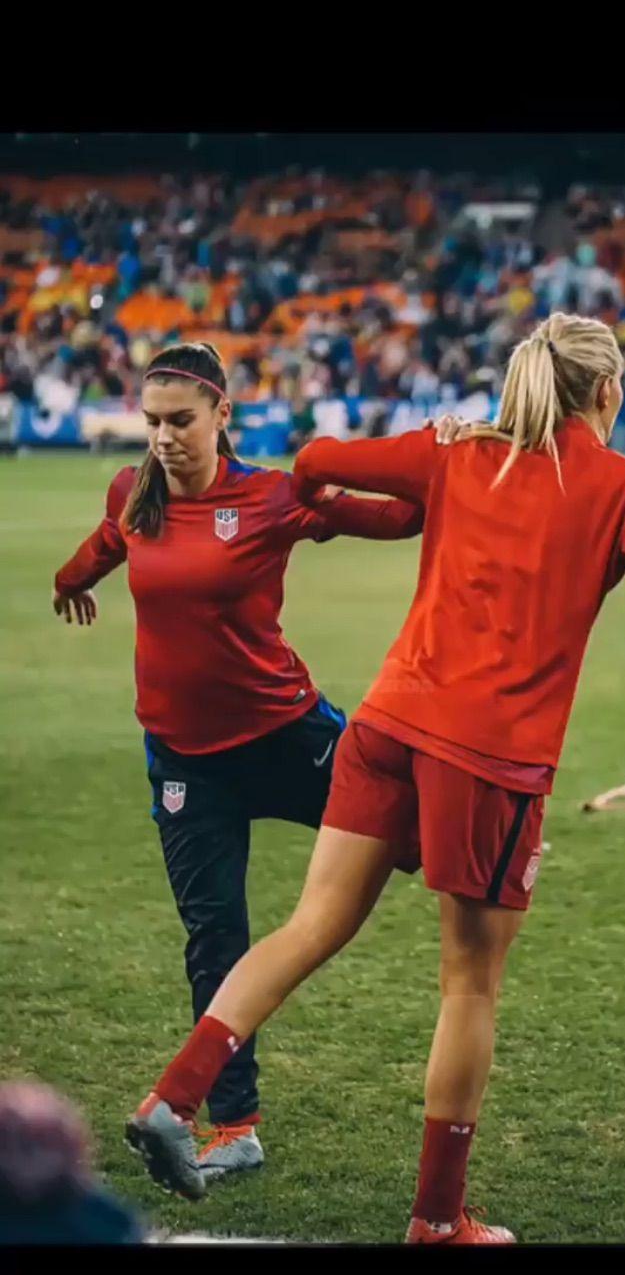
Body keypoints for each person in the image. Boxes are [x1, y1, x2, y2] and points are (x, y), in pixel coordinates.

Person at [124, 314, 625, 1242]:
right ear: (608, 392)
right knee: (470, 986)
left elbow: (314, 460)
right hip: (490, 761)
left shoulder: (457, 452)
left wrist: (425, 451)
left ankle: (170, 1100)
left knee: (310, 926)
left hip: (385, 727)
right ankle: (437, 1221)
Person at [53, 341, 426, 1184]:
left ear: (223, 414)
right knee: (215, 937)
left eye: (180, 421)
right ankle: (236, 1128)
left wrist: (437, 461)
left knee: (418, 835)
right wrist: (70, 580)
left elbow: (399, 518)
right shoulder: (134, 493)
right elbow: (108, 543)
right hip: (185, 763)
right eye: (152, 422)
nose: (163, 437)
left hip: (286, 736)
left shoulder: (271, 497)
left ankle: (495, 877)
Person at [0, 1082, 143, 1245]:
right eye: (24, 1146)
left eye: (43, 1144)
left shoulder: (106, 1219)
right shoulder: (104, 1221)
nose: (33, 1159)